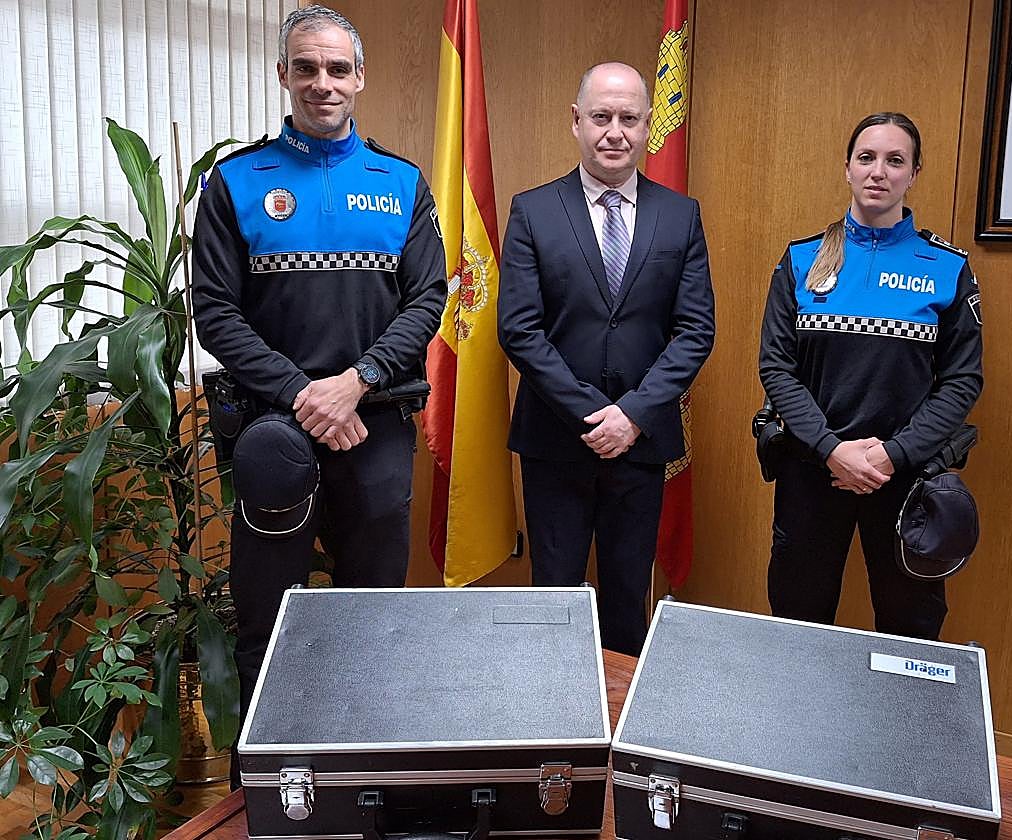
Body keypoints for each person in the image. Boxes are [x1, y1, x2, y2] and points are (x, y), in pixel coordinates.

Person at [191, 5, 445, 784]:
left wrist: (357, 382)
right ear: (283, 75)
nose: (322, 82)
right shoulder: (235, 181)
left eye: (338, 69)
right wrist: (307, 395)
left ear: (360, 79)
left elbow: (428, 299)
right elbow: (215, 313)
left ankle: (371, 777)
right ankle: (264, 787)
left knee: (373, 620)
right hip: (276, 435)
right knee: (267, 623)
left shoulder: (401, 181)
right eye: (306, 67)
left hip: (378, 430)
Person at [497, 61, 715, 657]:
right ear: (576, 122)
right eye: (601, 117)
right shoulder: (533, 211)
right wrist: (594, 415)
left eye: (628, 118)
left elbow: (695, 331)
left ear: (648, 126)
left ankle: (617, 741)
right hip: (555, 441)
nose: (614, 131)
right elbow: (519, 330)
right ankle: (553, 733)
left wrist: (633, 415)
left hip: (640, 443)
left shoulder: (681, 215)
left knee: (627, 602)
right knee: (556, 602)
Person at [758, 112, 983, 641]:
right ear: (847, 168)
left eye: (894, 160)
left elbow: (962, 381)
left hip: (904, 480)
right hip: (813, 472)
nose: (879, 171)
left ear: (914, 172)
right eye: (867, 158)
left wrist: (890, 455)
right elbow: (776, 367)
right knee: (798, 626)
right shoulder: (801, 260)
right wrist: (832, 449)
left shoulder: (946, 267)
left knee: (910, 629)